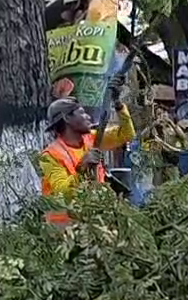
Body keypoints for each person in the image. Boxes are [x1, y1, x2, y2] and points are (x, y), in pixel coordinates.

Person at [40, 87, 136, 225]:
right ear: (67, 118)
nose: (88, 117)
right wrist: (82, 168)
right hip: (64, 228)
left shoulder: (91, 138)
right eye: (82, 113)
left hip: (93, 219)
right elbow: (62, 192)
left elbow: (127, 134)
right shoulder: (50, 156)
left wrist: (118, 105)